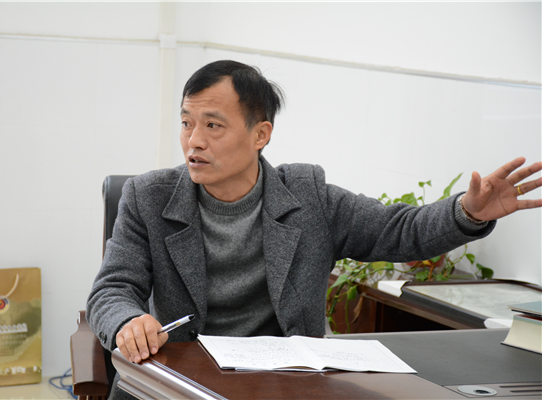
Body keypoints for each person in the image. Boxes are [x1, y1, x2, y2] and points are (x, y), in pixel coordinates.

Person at [87, 60, 541, 398]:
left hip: (285, 386)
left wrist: (468, 212)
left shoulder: (307, 197)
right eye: (186, 123)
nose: (194, 141)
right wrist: (128, 320)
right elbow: (112, 289)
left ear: (260, 134)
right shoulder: (149, 198)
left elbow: (398, 230)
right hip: (181, 385)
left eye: (213, 126)